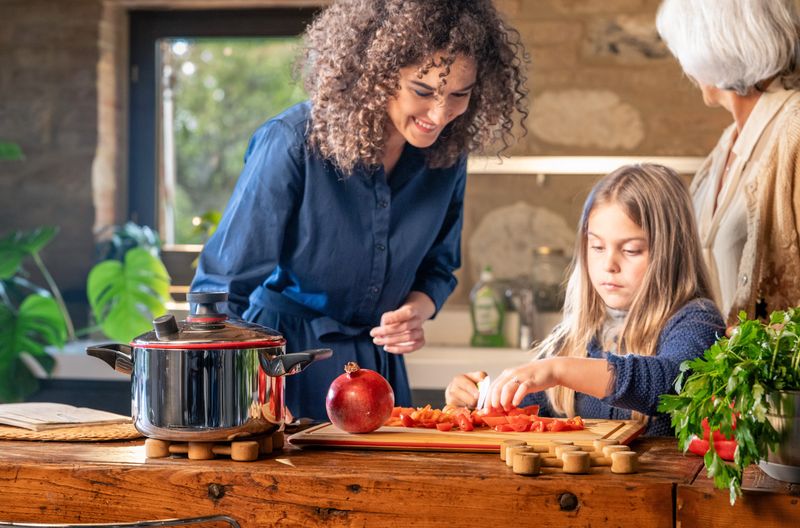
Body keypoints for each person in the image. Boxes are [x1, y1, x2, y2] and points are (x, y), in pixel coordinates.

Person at [191, 0, 528, 421]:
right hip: (283, 364)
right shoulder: (293, 143)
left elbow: (439, 269)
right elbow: (220, 291)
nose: (441, 115)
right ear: (377, 74)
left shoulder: (447, 157)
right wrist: (251, 398)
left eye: (459, 95)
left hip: (376, 370)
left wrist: (415, 312)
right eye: (422, 91)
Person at [445, 164, 725, 436]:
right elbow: (523, 415)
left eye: (631, 250)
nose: (609, 264)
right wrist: (478, 401)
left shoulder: (697, 320)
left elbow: (674, 381)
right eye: (597, 247)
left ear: (671, 254)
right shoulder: (575, 336)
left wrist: (560, 368)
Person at [656, 0, 800, 325]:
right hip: (719, 374)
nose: (685, 68)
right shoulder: (724, 148)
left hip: (779, 375)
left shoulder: (794, 130)